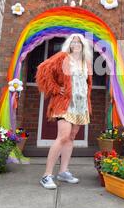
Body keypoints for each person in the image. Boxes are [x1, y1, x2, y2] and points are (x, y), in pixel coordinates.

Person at [36, 34, 93, 189]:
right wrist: (55, 89)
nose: (76, 44)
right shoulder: (62, 57)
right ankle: (46, 175)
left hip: (80, 105)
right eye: (73, 41)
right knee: (62, 137)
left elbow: (87, 84)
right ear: (69, 44)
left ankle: (63, 171)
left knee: (71, 137)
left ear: (83, 45)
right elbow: (43, 70)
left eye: (79, 42)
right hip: (65, 104)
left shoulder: (86, 62)